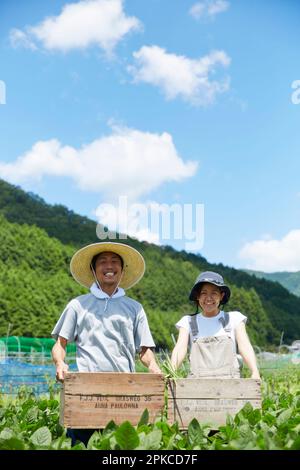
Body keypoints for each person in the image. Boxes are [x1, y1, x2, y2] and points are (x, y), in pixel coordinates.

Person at [51, 241, 161, 446]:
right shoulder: (78, 305)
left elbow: (144, 350)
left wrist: (154, 367)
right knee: (81, 444)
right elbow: (60, 344)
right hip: (86, 391)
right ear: (93, 269)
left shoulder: (135, 308)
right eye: (102, 261)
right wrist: (60, 364)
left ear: (122, 270)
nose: (108, 266)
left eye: (114, 261)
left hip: (125, 393)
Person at [171, 271, 260, 380]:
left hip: (231, 388)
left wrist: (254, 371)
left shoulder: (234, 319)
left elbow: (245, 346)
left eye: (214, 293)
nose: (208, 298)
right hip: (197, 390)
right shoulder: (188, 322)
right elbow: (180, 348)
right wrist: (172, 370)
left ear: (221, 296)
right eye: (204, 293)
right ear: (197, 296)